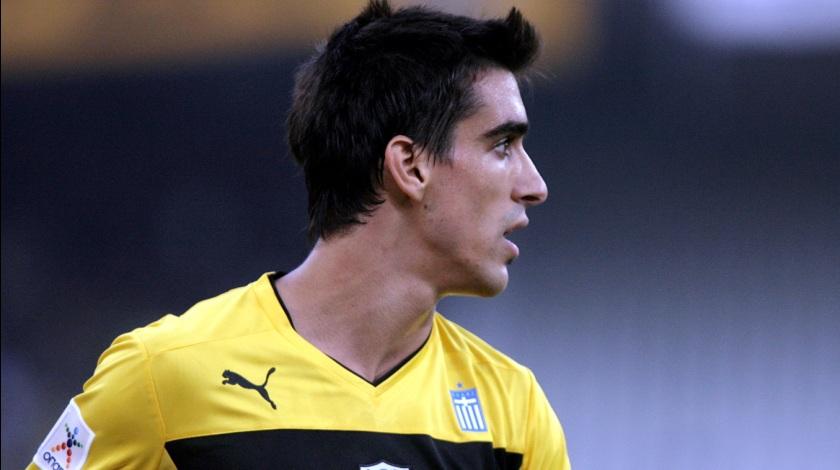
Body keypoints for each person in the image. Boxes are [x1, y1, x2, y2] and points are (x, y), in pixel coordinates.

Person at [30, 1, 570, 468]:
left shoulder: (512, 411)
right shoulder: (162, 376)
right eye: (503, 146)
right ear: (410, 166)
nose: (536, 186)